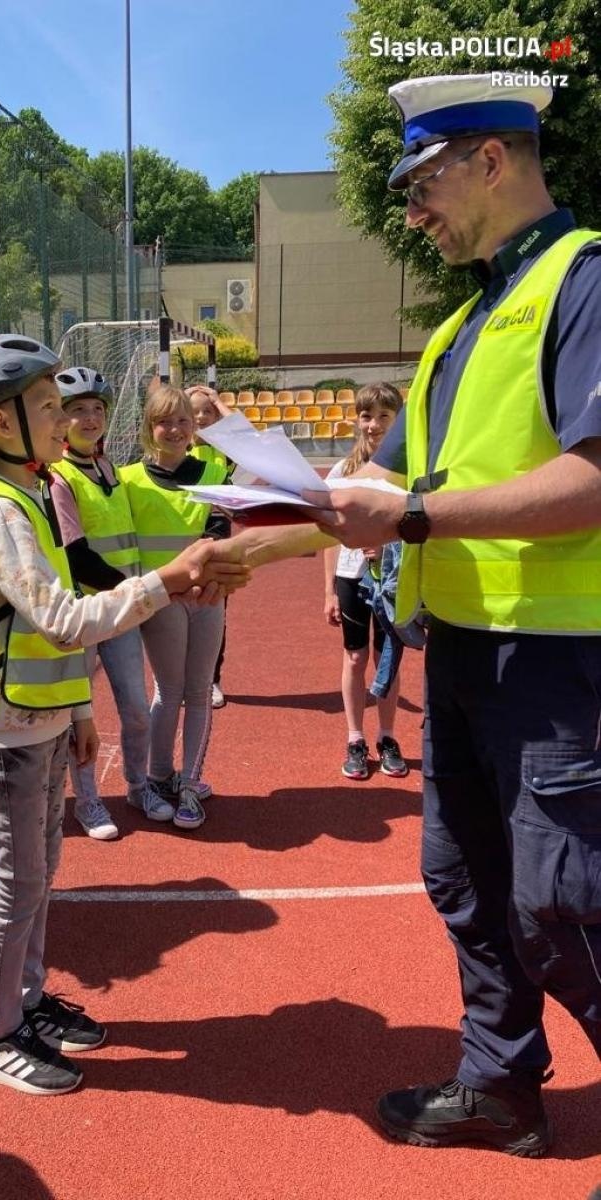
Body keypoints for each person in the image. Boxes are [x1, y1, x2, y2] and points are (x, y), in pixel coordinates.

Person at [222, 73, 601, 1156]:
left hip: (561, 665)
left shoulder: (584, 281)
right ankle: (501, 1083)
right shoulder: (462, 328)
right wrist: (237, 553)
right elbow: (374, 496)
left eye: (421, 182)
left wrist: (419, 517)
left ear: (492, 159)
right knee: (466, 880)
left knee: (566, 906)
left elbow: (589, 477)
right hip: (470, 658)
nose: (410, 210)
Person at [0, 335, 246, 1095]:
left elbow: (50, 623)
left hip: (39, 716)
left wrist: (76, 707)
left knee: (40, 876)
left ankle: (26, 1001)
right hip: (5, 727)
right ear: (2, 423)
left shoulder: (34, 494)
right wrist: (166, 581)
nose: (62, 417)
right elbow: (64, 618)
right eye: (46, 406)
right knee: (17, 883)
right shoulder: (2, 510)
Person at [49, 364, 162, 839]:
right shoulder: (57, 478)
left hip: (121, 611)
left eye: (97, 409)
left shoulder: (108, 467)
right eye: (78, 410)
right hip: (88, 612)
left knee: (136, 708)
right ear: (60, 419)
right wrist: (136, 589)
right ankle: (88, 801)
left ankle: (138, 785)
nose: (90, 418)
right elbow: (77, 557)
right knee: (81, 716)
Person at [120, 384, 231, 830]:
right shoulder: (128, 480)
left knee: (199, 690)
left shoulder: (212, 473)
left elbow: (219, 533)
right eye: (164, 421)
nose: (175, 429)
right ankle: (160, 775)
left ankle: (190, 781)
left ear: (194, 427)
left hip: (207, 598)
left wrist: (200, 581)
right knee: (169, 689)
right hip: (161, 600)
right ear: (149, 427)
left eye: (183, 420)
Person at [323, 384, 408, 781]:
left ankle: (387, 737)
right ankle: (355, 738)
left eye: (383, 416)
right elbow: (328, 537)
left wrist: (388, 546)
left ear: (398, 420)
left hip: (392, 581)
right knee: (355, 658)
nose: (373, 425)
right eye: (366, 416)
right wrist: (328, 591)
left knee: (386, 660)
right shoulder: (343, 471)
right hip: (350, 577)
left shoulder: (409, 471)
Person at [186, 383, 232, 708]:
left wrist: (218, 400)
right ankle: (183, 680)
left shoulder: (223, 452)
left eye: (208, 411)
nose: (201, 417)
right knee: (181, 609)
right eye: (194, 412)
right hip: (181, 532)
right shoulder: (177, 449)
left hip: (215, 530)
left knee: (214, 607)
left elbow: (245, 437)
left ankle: (211, 679)